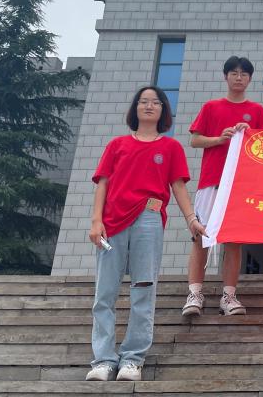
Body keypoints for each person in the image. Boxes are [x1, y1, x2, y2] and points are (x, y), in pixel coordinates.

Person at [86, 87, 206, 382]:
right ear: (135, 108)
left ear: (163, 109)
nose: (149, 106)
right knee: (105, 293)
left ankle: (132, 359)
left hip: (149, 220)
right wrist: (96, 221)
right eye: (143, 101)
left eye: (155, 102)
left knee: (143, 289)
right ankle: (103, 360)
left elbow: (178, 186)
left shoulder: (171, 147)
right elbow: (103, 183)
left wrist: (191, 219)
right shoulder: (117, 144)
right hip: (112, 222)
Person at [181, 56, 263, 318]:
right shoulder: (211, 107)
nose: (239, 77)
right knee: (201, 237)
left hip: (241, 185)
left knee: (234, 241)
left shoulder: (256, 110)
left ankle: (228, 296)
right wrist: (220, 139)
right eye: (234, 73)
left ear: (250, 79)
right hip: (211, 181)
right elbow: (195, 140)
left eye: (244, 74)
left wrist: (249, 133)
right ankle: (195, 293)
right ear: (226, 76)